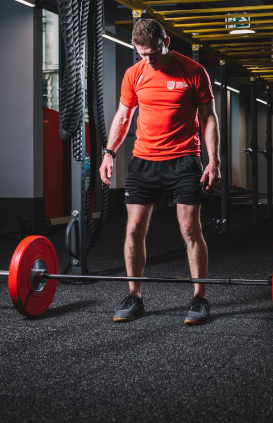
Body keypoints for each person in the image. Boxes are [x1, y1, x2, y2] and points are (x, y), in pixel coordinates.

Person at [99, 18, 220, 325]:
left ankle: (200, 298)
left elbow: (208, 118)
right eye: (142, 54)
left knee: (190, 229)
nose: (148, 59)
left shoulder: (193, 71)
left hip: (184, 160)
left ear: (167, 43)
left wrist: (213, 160)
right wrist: (109, 152)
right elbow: (124, 115)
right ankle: (134, 296)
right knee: (132, 230)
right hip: (144, 160)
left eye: (153, 52)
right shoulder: (134, 74)